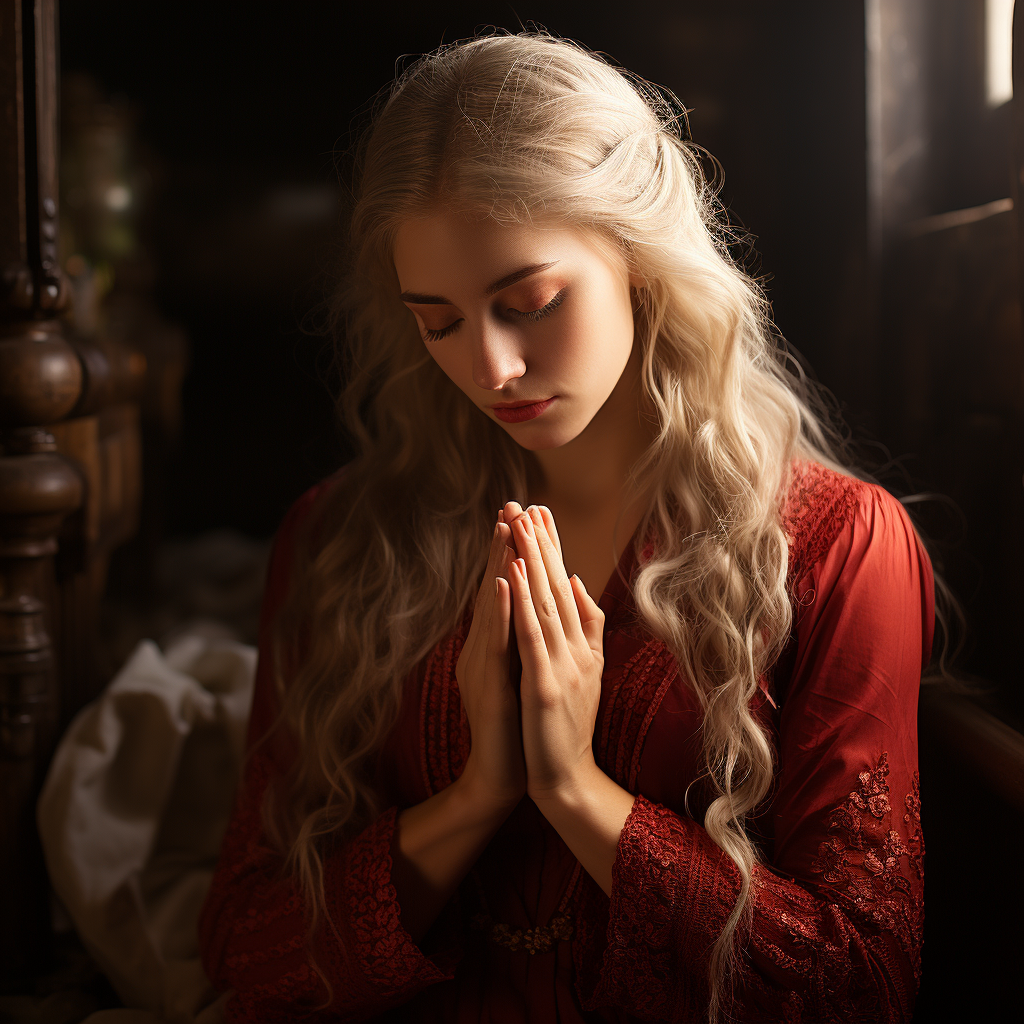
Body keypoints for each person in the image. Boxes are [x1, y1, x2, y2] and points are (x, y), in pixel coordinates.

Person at [198, 30, 937, 1024]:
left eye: (530, 302)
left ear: (639, 259)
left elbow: (858, 986)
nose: (491, 368)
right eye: (441, 321)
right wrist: (474, 796)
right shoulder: (341, 542)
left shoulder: (833, 544)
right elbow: (246, 947)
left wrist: (577, 791)